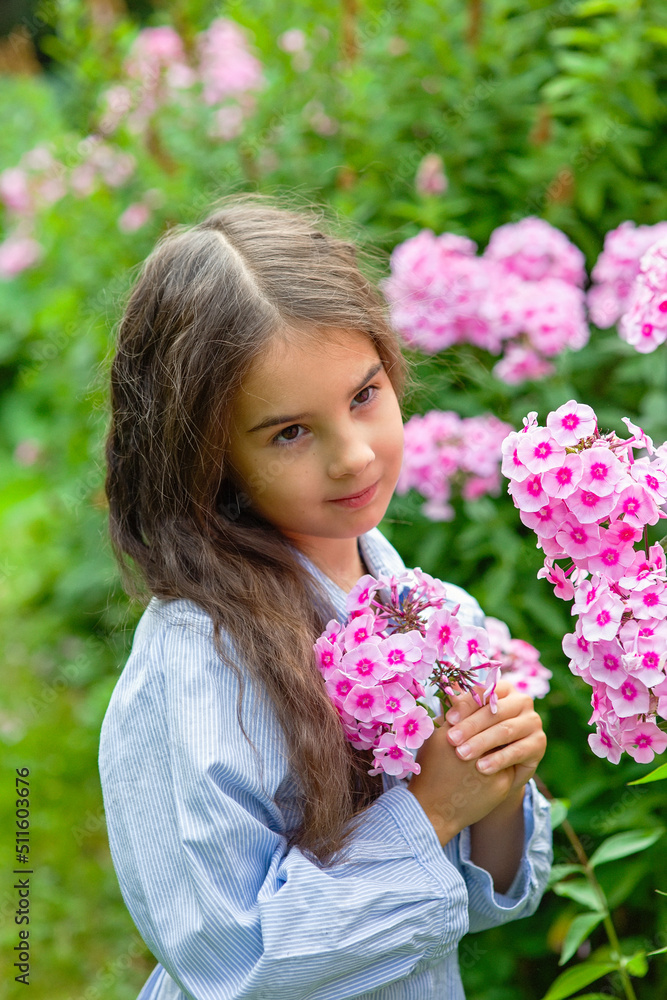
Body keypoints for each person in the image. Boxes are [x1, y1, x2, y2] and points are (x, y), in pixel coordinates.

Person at [99, 197, 552, 1000]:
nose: (352, 456)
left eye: (362, 395)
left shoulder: (426, 607)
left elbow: (483, 900)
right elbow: (232, 961)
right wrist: (431, 810)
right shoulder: (200, 666)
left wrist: (496, 786)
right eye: (289, 433)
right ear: (205, 456)